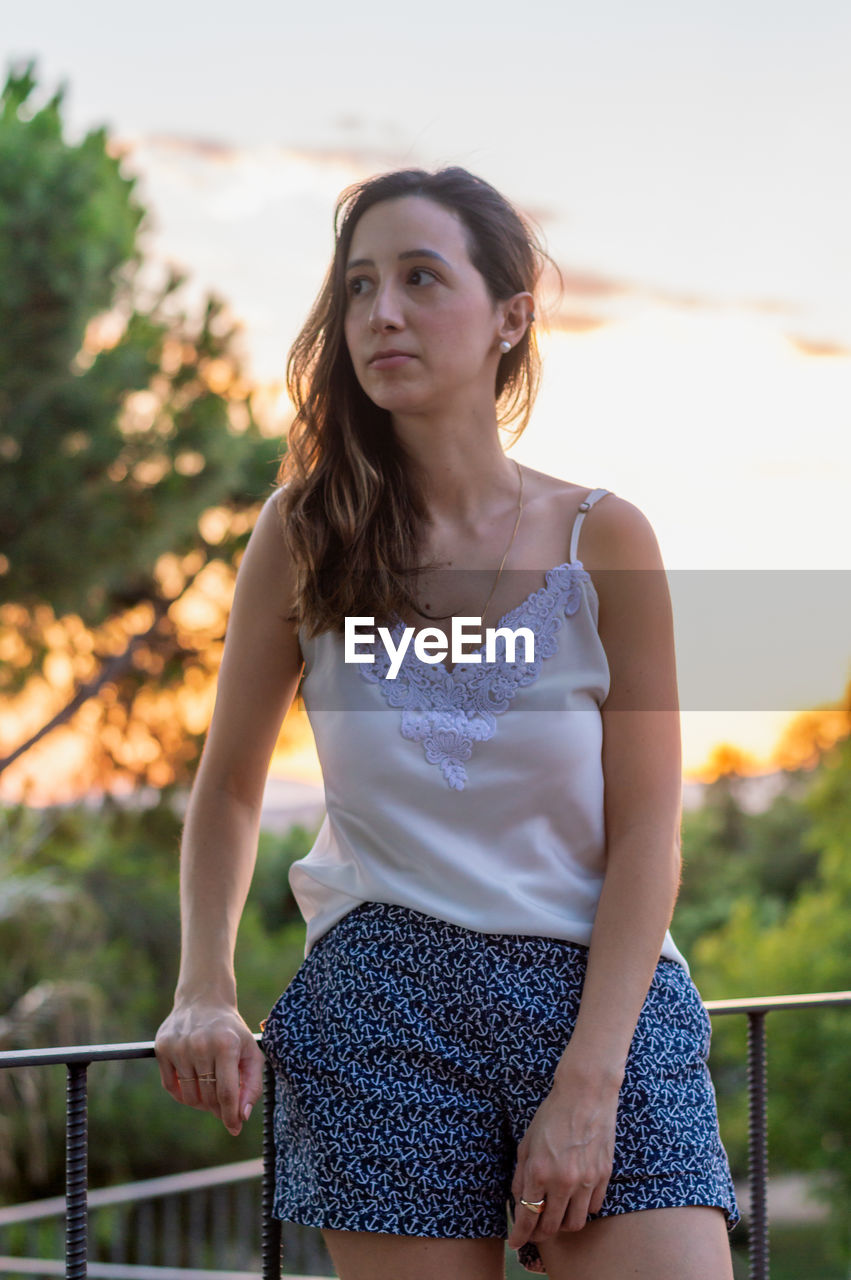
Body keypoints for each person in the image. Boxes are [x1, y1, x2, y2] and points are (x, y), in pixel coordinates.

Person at [155, 165, 740, 1280]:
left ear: (510, 315)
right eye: (360, 284)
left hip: (599, 994)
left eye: (421, 278)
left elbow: (647, 832)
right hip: (382, 1006)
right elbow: (230, 786)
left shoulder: (603, 540)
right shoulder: (303, 531)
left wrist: (589, 1078)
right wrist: (203, 988)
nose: (380, 312)